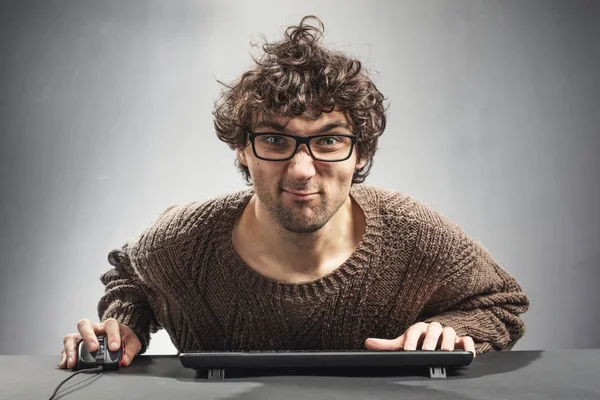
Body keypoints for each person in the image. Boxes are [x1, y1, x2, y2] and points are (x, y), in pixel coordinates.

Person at [59, 15, 529, 369]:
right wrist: (123, 327)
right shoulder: (185, 240)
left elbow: (503, 303)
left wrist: (452, 331)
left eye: (328, 140)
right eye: (276, 140)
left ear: (360, 153)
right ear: (243, 150)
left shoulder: (414, 234)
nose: (302, 170)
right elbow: (130, 277)